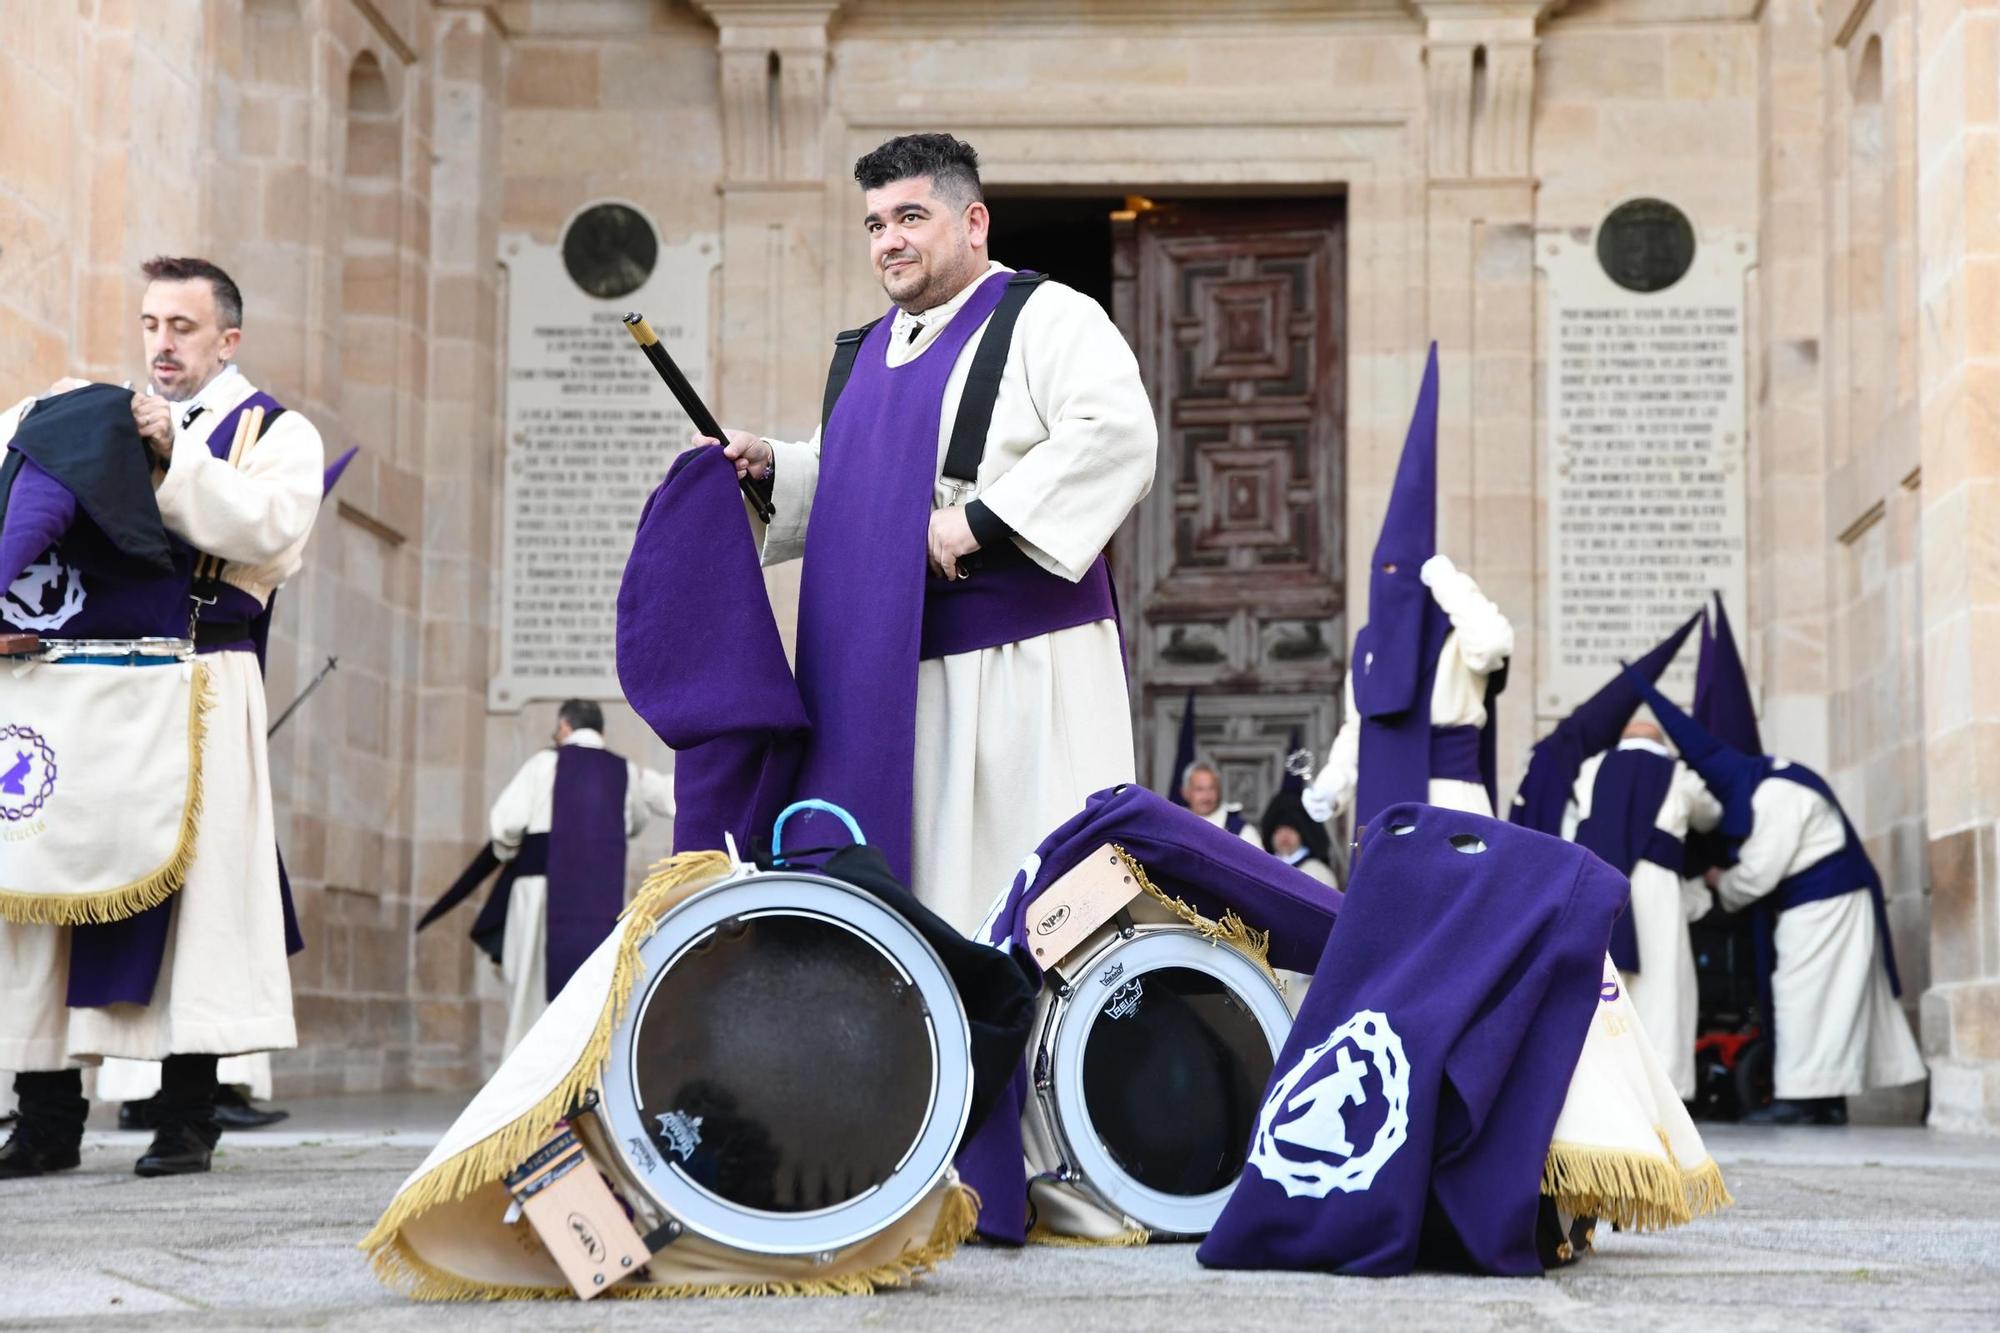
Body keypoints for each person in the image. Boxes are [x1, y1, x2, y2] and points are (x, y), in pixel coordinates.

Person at [689, 132, 1157, 931]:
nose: (890, 240)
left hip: (1022, 678)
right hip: (888, 683)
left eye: (911, 216)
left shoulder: (1049, 317)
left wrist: (973, 523)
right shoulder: (865, 352)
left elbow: (1117, 434)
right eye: (875, 224)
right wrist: (774, 467)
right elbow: (849, 487)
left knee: (1027, 899)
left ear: (974, 223)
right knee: (920, 905)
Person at [0, 256, 324, 1178]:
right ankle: (46, 1114)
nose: (161, 344)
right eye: (149, 325)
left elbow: (272, 530)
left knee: (203, 902)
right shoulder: (95, 411)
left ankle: (187, 1114)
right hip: (84, 682)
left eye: (181, 328)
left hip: (203, 678)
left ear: (228, 339)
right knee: (56, 882)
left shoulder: (276, 429)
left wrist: (173, 454)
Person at [1628, 670, 1926, 1125]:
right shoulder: (1769, 779)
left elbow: (1756, 877)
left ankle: (1802, 1101)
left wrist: (1713, 881)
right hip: (1819, 905)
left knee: (1802, 996)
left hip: (1826, 905)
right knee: (1824, 999)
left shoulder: (1774, 796)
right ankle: (1824, 1100)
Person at [1303, 347, 1512, 831]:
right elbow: (1359, 730)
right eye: (1384, 568)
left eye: (1404, 569)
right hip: (1384, 806)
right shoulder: (1370, 646)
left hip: (1452, 802)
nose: (1391, 579)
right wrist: (1333, 786)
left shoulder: (1454, 636)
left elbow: (1494, 643)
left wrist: (1448, 582)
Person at [417, 700, 672, 1055]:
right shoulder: (624, 771)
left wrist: (508, 852)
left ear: (564, 726)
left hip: (539, 893)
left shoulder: (544, 763)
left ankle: (526, 1087)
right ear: (601, 731)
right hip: (600, 897)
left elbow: (507, 823)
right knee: (590, 990)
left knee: (529, 996)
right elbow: (648, 812)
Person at [1563, 718, 1721, 1100]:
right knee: (1663, 986)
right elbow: (1711, 814)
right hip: (1656, 886)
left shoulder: (1592, 767)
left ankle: (1598, 1091)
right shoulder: (1679, 773)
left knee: (1602, 983)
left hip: (1598, 885)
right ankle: (1664, 1093)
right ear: (1661, 743)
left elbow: (1571, 828)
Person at [1260, 786, 1338, 888]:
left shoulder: (1318, 872)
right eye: (1279, 830)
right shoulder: (1263, 869)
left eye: (1291, 830)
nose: (1285, 836)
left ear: (1303, 834)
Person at [1181, 760, 1261, 846]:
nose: (1206, 796)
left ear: (1219, 791)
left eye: (1211, 788)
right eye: (1199, 789)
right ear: (1185, 792)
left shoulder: (1242, 831)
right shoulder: (1177, 825)